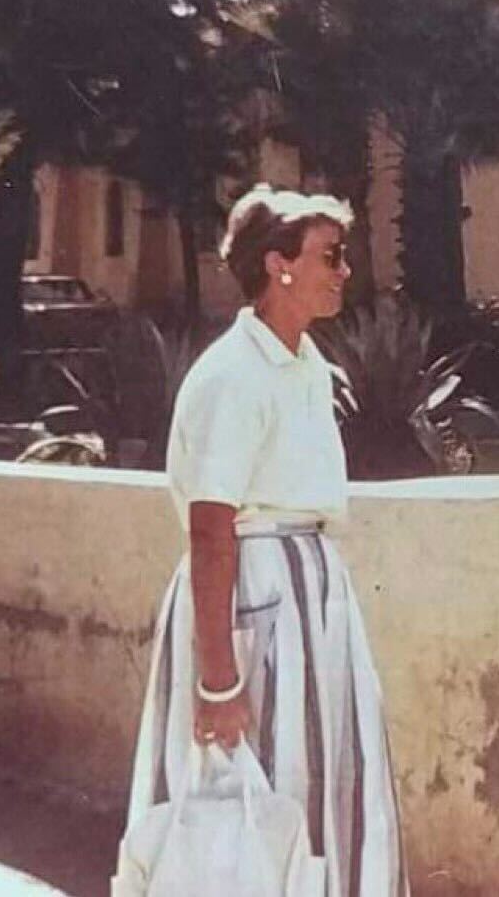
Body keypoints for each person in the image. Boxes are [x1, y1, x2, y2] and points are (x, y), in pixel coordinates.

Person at [119, 185, 406, 896]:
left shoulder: (304, 362)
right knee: (259, 795)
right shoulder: (234, 373)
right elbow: (212, 527)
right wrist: (219, 678)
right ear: (277, 264)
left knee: (320, 785)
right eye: (329, 257)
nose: (343, 271)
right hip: (257, 596)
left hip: (309, 598)